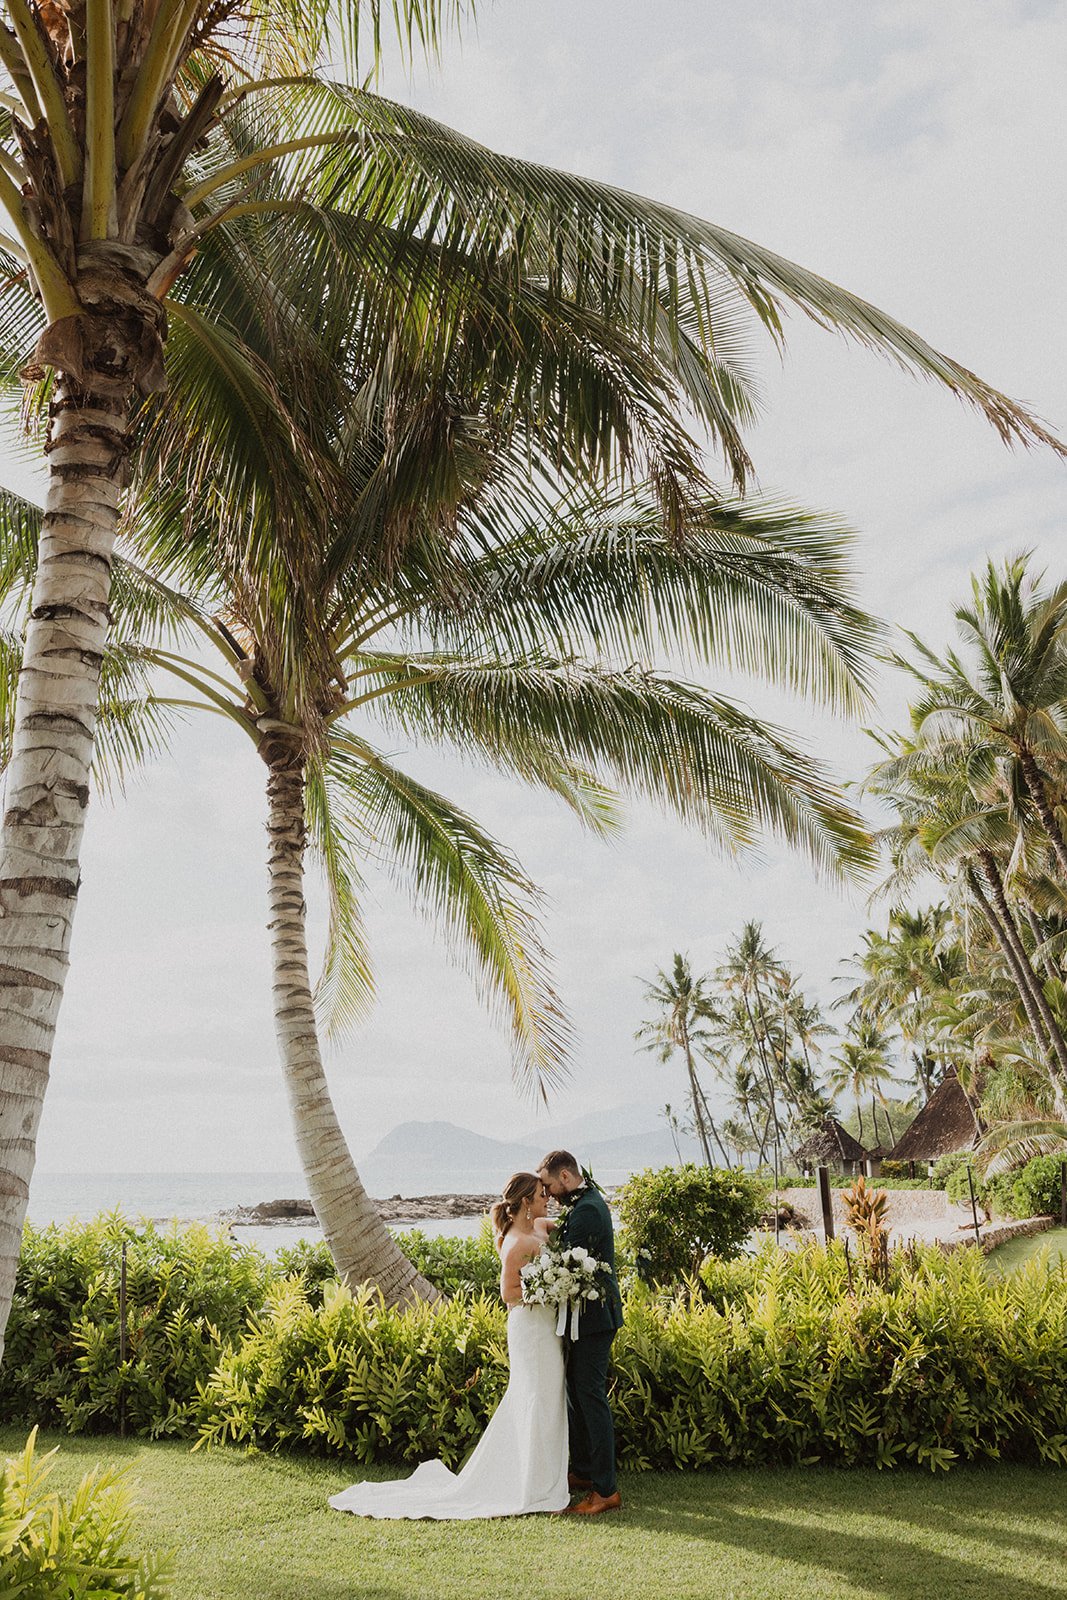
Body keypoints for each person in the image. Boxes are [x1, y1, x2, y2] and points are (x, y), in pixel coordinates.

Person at [328, 1171, 569, 1519]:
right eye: (541, 1194)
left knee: (546, 1398)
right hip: (531, 1328)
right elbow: (508, 1294)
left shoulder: (536, 1229)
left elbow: (556, 1229)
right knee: (535, 1399)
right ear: (526, 1203)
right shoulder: (517, 1243)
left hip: (544, 1329)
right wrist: (548, 1292)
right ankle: (531, 1484)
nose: (547, 1197)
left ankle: (542, 1477)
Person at [538, 1148, 624, 1516]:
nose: (548, 1193)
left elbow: (570, 1263)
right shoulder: (582, 1202)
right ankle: (587, 1471)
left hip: (594, 1319)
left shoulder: (588, 1209)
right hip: (583, 1318)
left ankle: (605, 1490)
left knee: (591, 1397)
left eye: (549, 1185)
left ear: (566, 1178)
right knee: (578, 1391)